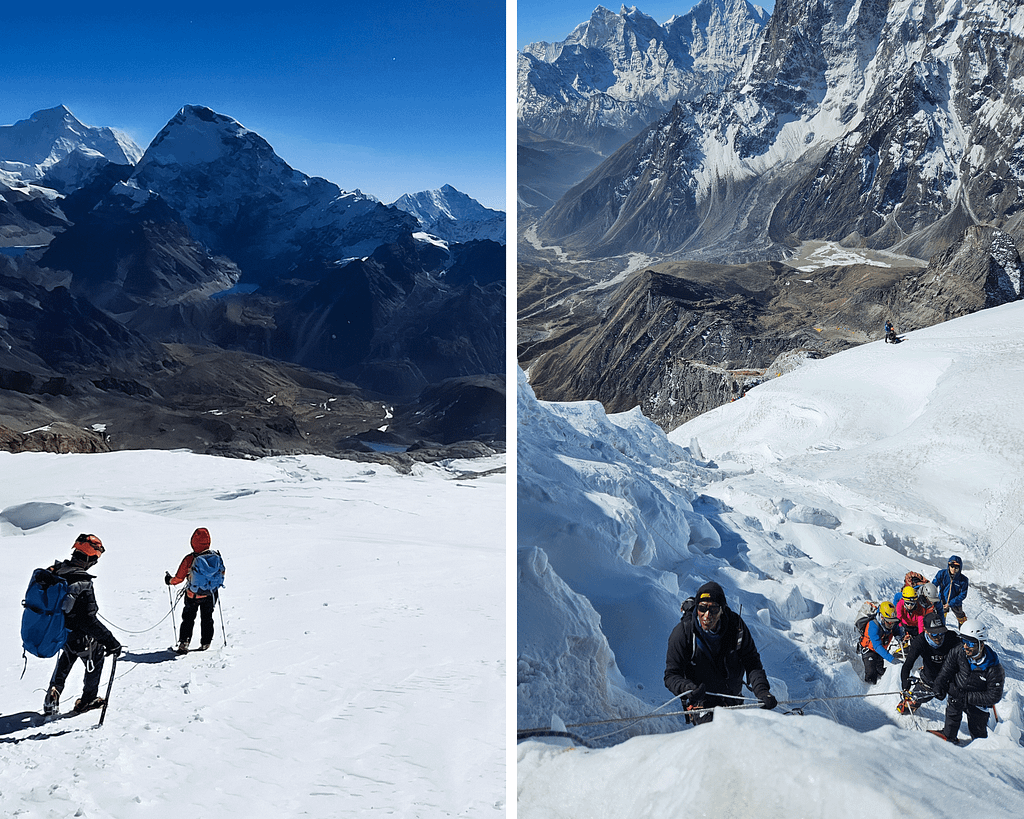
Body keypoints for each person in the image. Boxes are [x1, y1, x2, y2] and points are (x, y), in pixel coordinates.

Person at [664, 581, 777, 724]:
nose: (707, 615)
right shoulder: (683, 633)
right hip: (701, 703)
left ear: (722, 609)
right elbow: (671, 675)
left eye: (714, 609)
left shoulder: (736, 627)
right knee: (717, 735)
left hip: (732, 699)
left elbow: (751, 661)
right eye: (702, 608)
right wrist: (687, 688)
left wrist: (762, 691)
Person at [43, 534, 122, 716]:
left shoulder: (58, 572)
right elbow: (88, 620)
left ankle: (54, 691)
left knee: (68, 656)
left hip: (61, 632)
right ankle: (88, 700)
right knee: (96, 656)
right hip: (81, 636)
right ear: (89, 559)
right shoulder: (82, 583)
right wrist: (110, 641)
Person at [932, 619, 1005, 744]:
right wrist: (939, 684)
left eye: (970, 644)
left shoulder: (994, 668)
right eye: (963, 641)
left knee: (978, 730)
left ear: (981, 644)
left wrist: (965, 697)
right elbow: (947, 669)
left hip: (978, 702)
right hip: (958, 691)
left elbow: (993, 696)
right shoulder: (959, 651)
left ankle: (980, 748)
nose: (965, 646)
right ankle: (949, 736)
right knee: (952, 715)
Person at [165, 527, 224, 653]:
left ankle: (184, 643)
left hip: (193, 595)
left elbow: (179, 578)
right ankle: (206, 643)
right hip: (211, 594)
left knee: (188, 618)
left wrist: (170, 581)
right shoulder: (215, 557)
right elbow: (222, 573)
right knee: (207, 618)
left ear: (193, 542)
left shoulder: (189, 559)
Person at [898, 611, 959, 713]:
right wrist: (905, 686)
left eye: (941, 632)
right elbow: (908, 665)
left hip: (951, 675)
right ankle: (913, 701)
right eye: (934, 634)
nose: (939, 637)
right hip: (931, 676)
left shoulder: (952, 637)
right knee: (921, 696)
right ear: (926, 631)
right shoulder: (919, 642)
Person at [858, 600, 904, 684]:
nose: (891, 624)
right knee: (871, 675)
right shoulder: (873, 626)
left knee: (880, 671)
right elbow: (877, 646)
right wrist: (892, 659)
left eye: (893, 622)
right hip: (869, 650)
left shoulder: (890, 622)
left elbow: (896, 629)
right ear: (882, 618)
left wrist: (899, 636)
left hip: (880, 651)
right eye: (889, 622)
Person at [933, 555, 969, 626]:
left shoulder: (963, 580)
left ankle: (964, 631)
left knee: (961, 617)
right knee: (940, 617)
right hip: (942, 600)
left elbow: (963, 594)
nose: (953, 569)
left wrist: (950, 603)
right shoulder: (942, 574)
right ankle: (941, 631)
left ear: (960, 568)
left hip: (956, 602)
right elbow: (933, 585)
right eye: (952, 566)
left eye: (956, 567)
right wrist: (935, 598)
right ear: (948, 566)